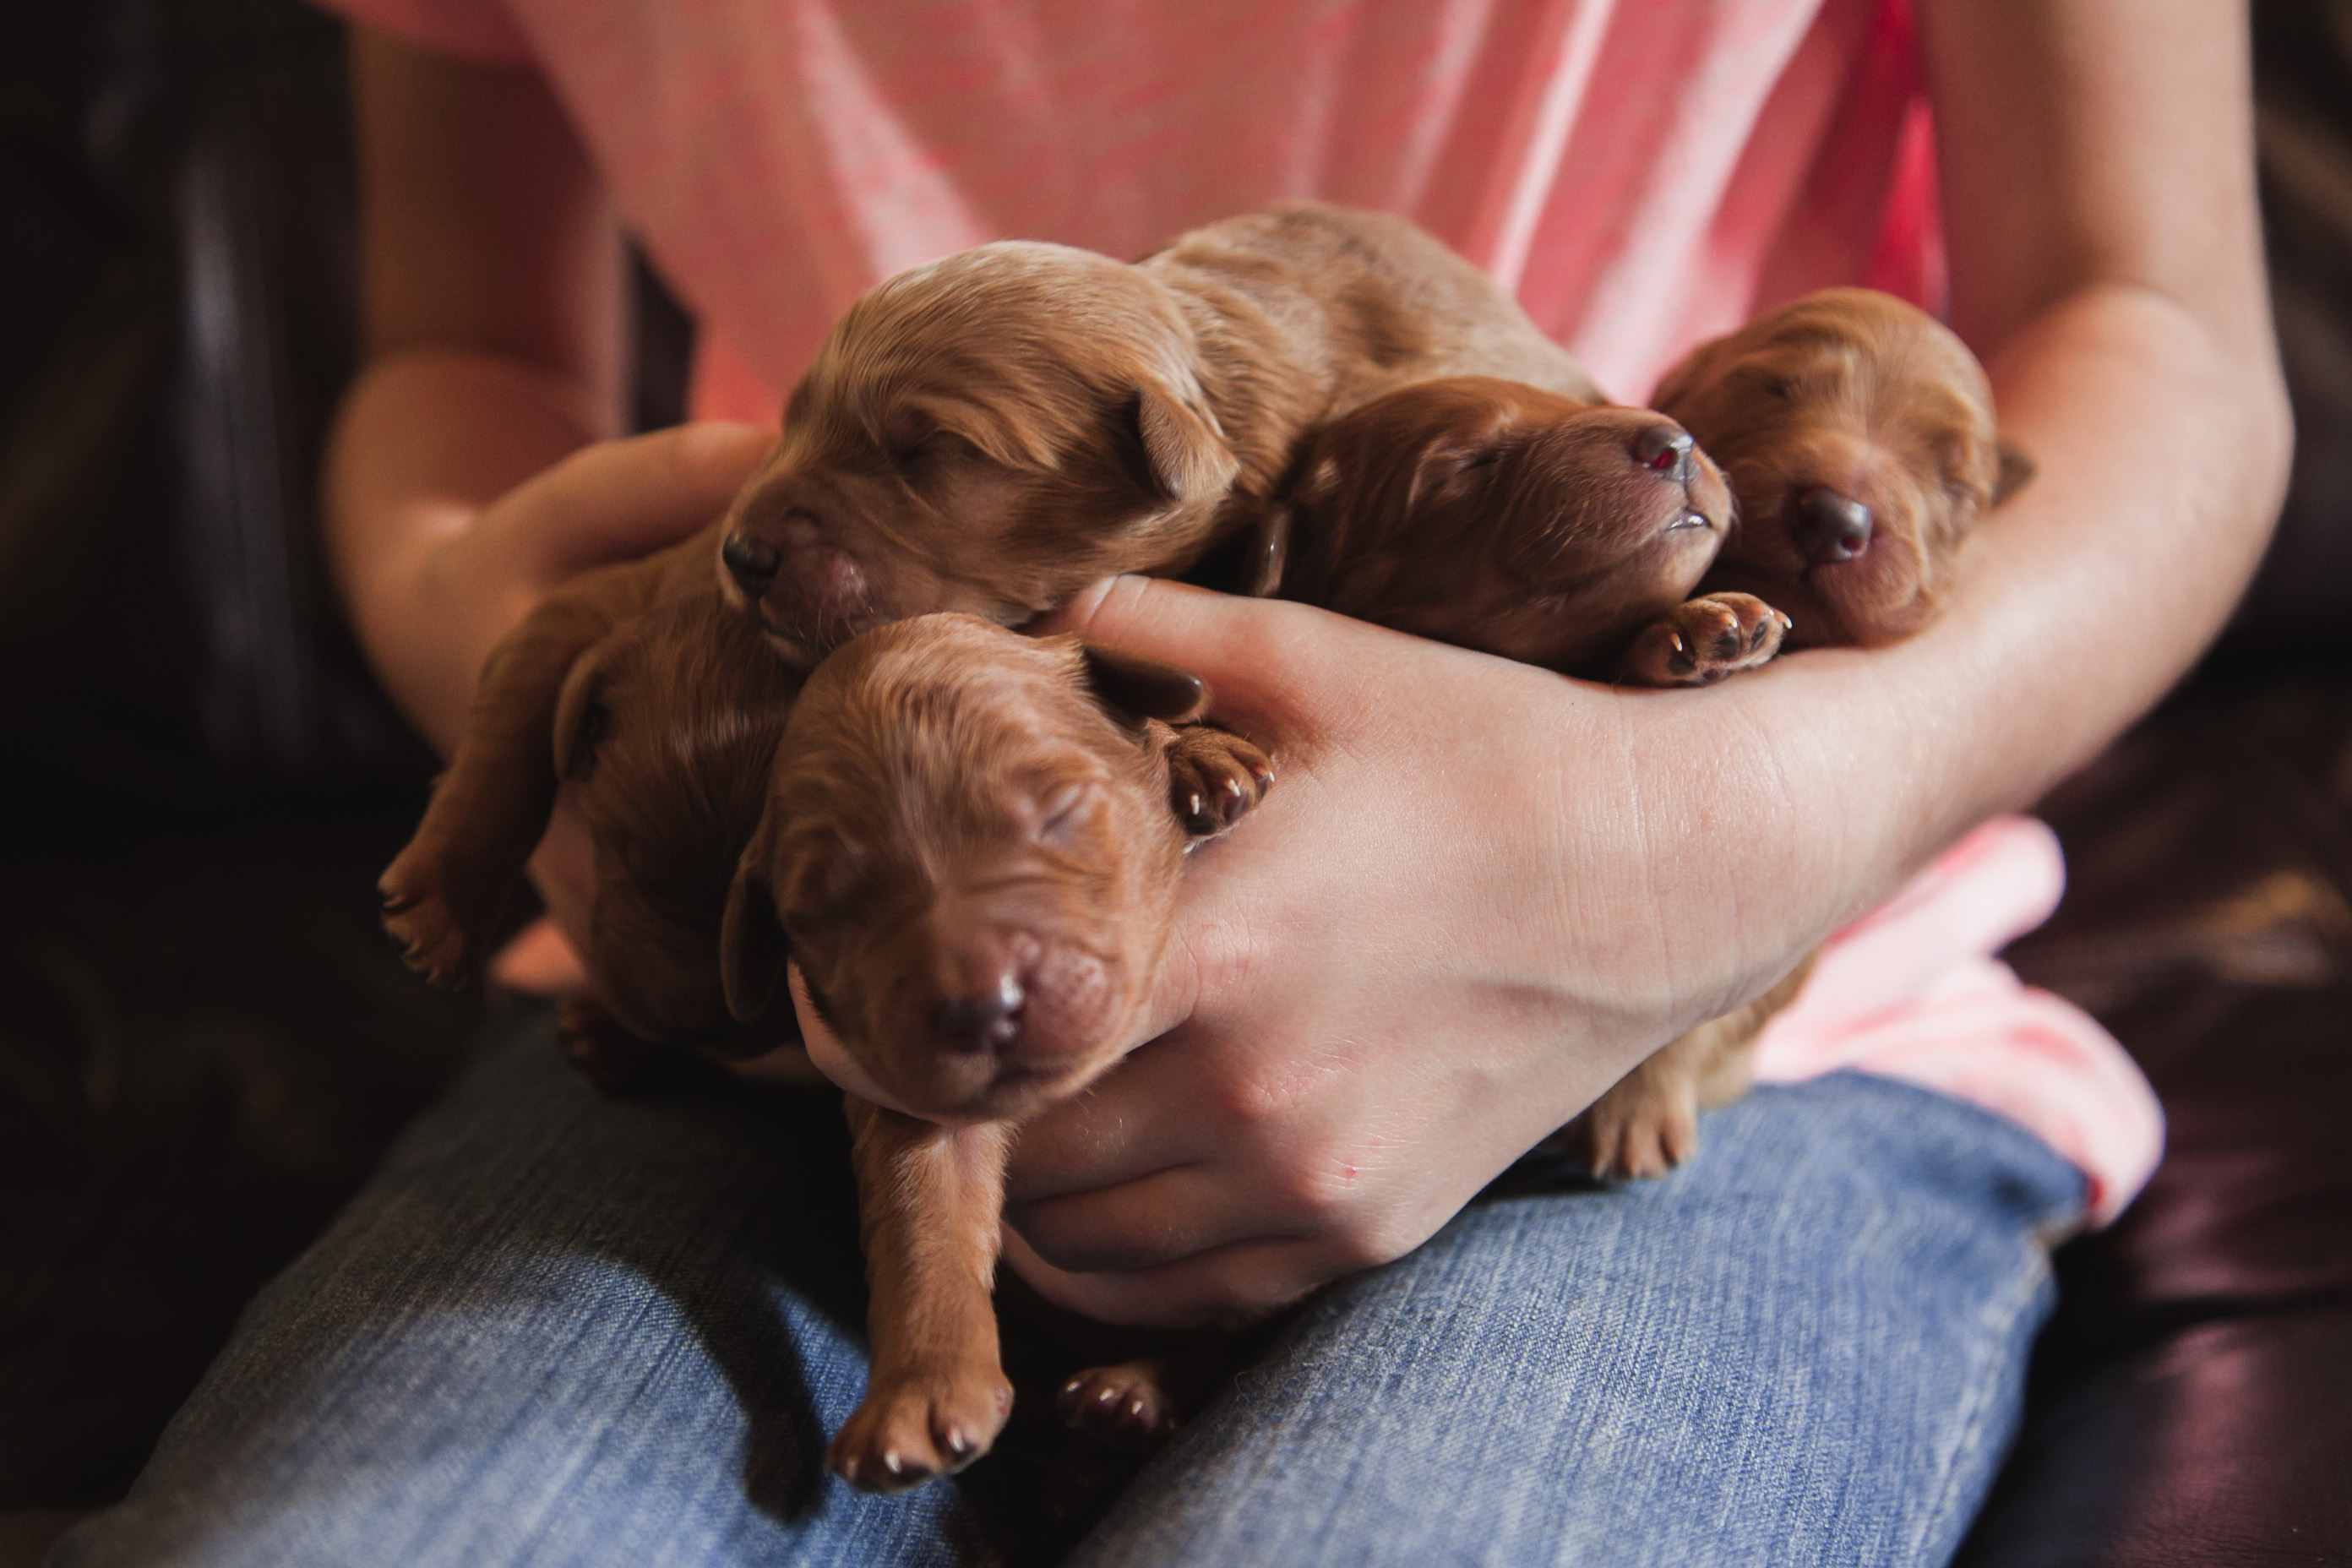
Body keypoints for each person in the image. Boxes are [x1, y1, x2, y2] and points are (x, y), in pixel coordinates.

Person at [49, 1, 2287, 1564]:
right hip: (810, 973)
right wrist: (525, 658)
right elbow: (465, 350)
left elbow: (2155, 325)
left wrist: (1698, 853)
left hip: (1746, 996)